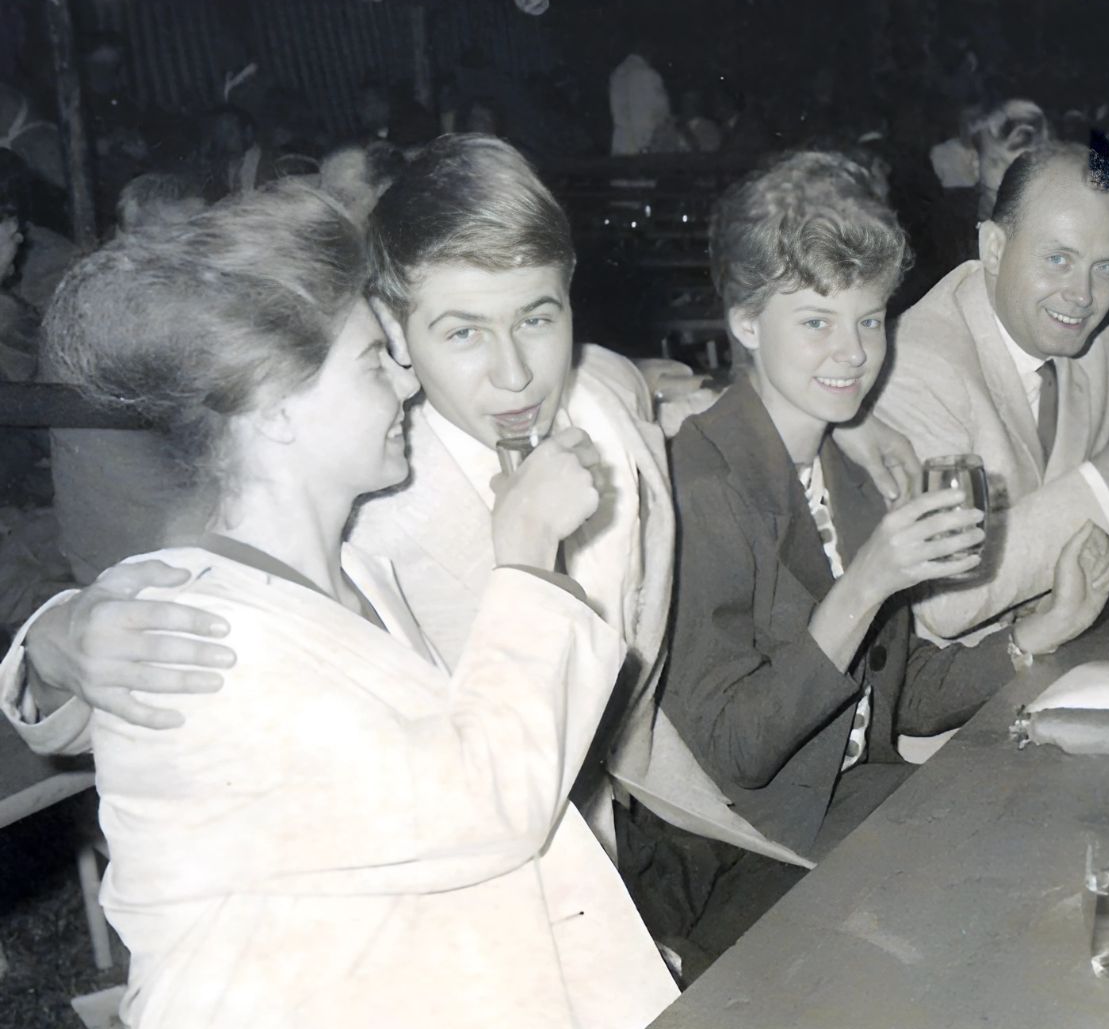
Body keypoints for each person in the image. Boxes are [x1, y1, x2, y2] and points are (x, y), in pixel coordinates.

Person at [5, 136, 919, 881]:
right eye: (463, 333)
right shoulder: (357, 502)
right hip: (480, 887)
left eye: (538, 316)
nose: (518, 375)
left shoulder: (603, 395)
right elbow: (204, 627)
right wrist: (59, 638)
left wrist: (847, 422)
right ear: (395, 333)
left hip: (660, 823)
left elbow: (672, 391)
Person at [2, 182, 675, 1029]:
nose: (406, 381)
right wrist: (525, 558)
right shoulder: (198, 628)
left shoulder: (346, 569)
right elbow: (486, 802)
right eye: (374, 359)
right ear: (275, 410)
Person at [659, 152, 1109, 960]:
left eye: (869, 319)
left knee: (1073, 848)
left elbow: (897, 700)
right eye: (815, 322)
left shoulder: (853, 465)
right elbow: (737, 752)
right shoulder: (702, 484)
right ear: (743, 322)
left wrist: (1035, 636)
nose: (851, 354)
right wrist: (869, 578)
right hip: (744, 858)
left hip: (857, 809)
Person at [873, 142, 1109, 643]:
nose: (1083, 296)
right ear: (993, 249)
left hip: (1069, 652)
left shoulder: (1101, 344)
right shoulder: (915, 365)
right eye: (1059, 259)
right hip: (953, 703)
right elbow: (945, 602)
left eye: (1105, 267)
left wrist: (1090, 569)